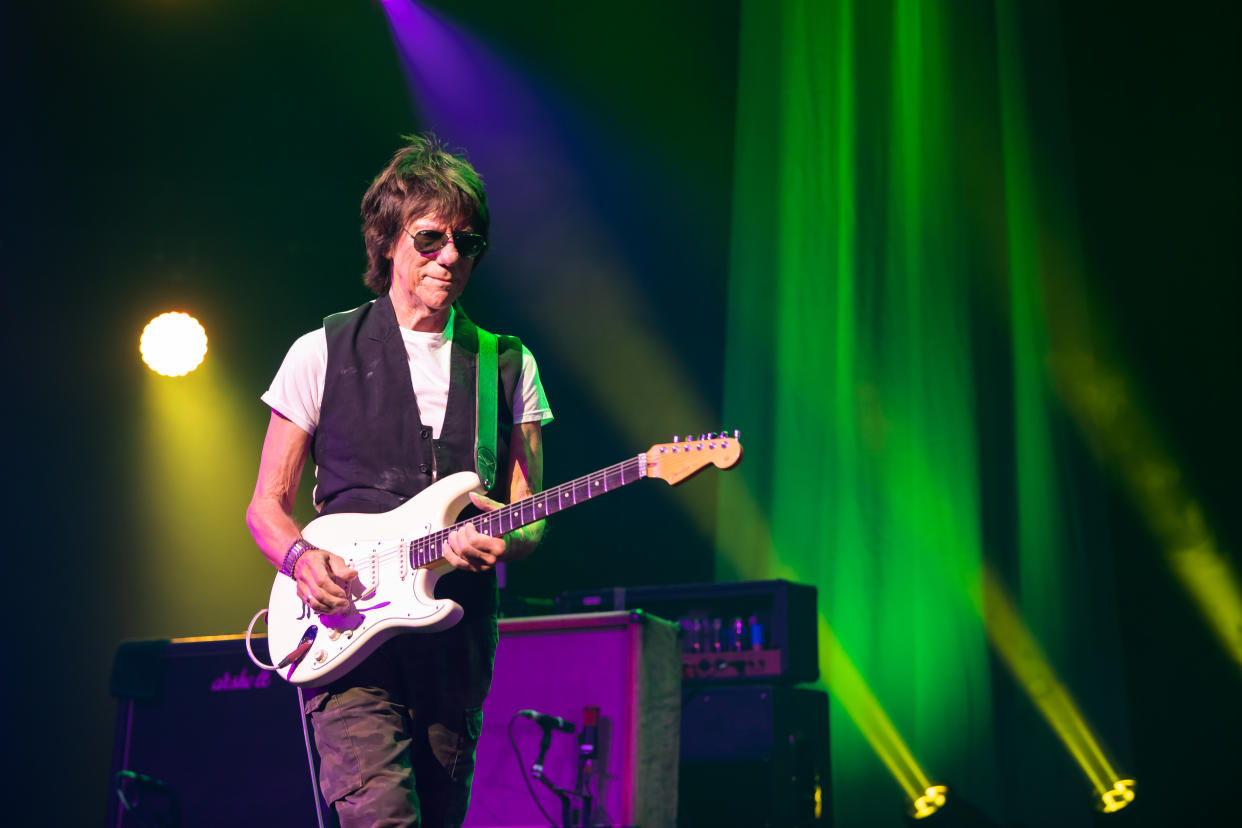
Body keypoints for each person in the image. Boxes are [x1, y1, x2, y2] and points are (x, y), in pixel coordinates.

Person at [245, 134, 552, 827]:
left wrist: (507, 539)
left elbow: (530, 517)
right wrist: (300, 559)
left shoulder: (509, 366)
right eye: (431, 238)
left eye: (467, 243)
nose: (450, 257)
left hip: (453, 641)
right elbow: (266, 506)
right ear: (388, 241)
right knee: (383, 819)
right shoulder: (320, 350)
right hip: (344, 633)